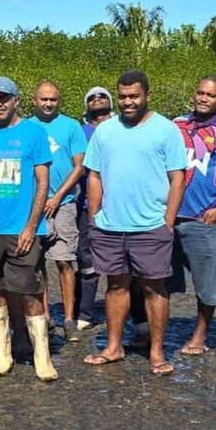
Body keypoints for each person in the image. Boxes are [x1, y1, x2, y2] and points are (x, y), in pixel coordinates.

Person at [82, 70, 187, 376]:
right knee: (116, 286)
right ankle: (114, 347)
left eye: (134, 96)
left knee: (155, 289)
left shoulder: (166, 130)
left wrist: (168, 220)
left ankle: (156, 353)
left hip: (152, 225)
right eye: (124, 96)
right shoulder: (105, 131)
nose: (128, 102)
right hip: (111, 225)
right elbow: (95, 176)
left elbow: (177, 177)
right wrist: (94, 217)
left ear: (147, 96)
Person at [0, 76, 57, 381]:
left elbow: (43, 182)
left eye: (3, 98)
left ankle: (42, 358)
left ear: (16, 100)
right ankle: (4, 356)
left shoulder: (34, 133)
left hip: (22, 228)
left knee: (29, 291)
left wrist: (32, 226)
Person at [169, 75, 216, 355]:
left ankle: (200, 335)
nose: (203, 98)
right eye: (200, 93)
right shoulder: (176, 126)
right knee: (158, 281)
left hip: (206, 219)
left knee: (207, 286)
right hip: (171, 218)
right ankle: (151, 331)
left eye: (211, 95)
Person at [29, 81, 87, 342]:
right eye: (44, 99)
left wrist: (57, 197)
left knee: (65, 261)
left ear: (59, 101)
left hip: (63, 205)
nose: (48, 104)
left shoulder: (72, 126)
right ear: (34, 100)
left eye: (53, 99)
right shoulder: (27, 128)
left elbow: (79, 167)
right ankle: (44, 316)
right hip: (33, 206)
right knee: (36, 262)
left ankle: (68, 317)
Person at [74, 87, 114, 330]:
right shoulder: (80, 133)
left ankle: (135, 317)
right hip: (87, 205)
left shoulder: (121, 127)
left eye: (102, 96)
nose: (97, 99)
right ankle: (85, 314)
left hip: (121, 207)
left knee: (125, 265)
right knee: (86, 261)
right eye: (91, 97)